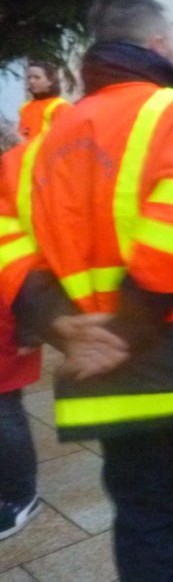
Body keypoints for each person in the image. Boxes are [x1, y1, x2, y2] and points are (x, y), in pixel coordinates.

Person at [3, 0, 173, 580]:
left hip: (112, 377)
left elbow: (6, 235)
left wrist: (52, 317)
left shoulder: (34, 151)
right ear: (157, 45)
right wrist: (124, 330)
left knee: (144, 529)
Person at [0, 124, 44, 540]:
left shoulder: (14, 174)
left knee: (4, 406)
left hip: (8, 313)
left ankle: (21, 494)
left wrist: (32, 325)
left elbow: (30, 253)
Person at [17, 61, 71, 140]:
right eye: (29, 77)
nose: (31, 81)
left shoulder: (61, 106)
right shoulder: (24, 107)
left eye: (37, 77)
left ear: (50, 81)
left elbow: (66, 139)